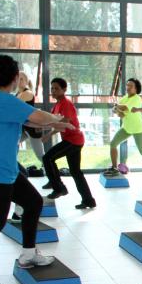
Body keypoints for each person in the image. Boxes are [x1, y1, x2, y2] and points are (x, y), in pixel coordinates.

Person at [0, 55, 74, 284]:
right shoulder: (4, 101)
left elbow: (28, 121)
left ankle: (27, 253)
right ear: (14, 78)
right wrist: (56, 119)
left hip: (0, 169)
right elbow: (36, 115)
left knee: (33, 202)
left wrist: (53, 125)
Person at [41, 78, 97, 209]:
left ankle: (58, 187)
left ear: (64, 90)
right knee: (76, 172)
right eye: (52, 88)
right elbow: (57, 123)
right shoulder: (57, 105)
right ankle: (89, 200)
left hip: (73, 140)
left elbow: (64, 122)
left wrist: (47, 130)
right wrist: (47, 131)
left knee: (47, 158)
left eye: (57, 88)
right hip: (73, 140)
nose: (53, 91)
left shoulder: (66, 104)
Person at [105, 78, 142, 177]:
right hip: (126, 128)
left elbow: (125, 108)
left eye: (131, 86)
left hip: (137, 129)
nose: (128, 87)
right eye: (127, 85)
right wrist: (117, 109)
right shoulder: (124, 98)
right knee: (113, 144)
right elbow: (121, 114)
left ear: (136, 89)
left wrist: (116, 107)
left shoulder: (137, 98)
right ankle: (114, 168)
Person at [16, 72, 46, 171]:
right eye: (17, 79)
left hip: (32, 127)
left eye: (22, 79)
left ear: (26, 81)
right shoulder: (18, 93)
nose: (19, 81)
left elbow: (15, 105)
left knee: (40, 155)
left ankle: (53, 175)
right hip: (23, 127)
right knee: (12, 144)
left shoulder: (27, 93)